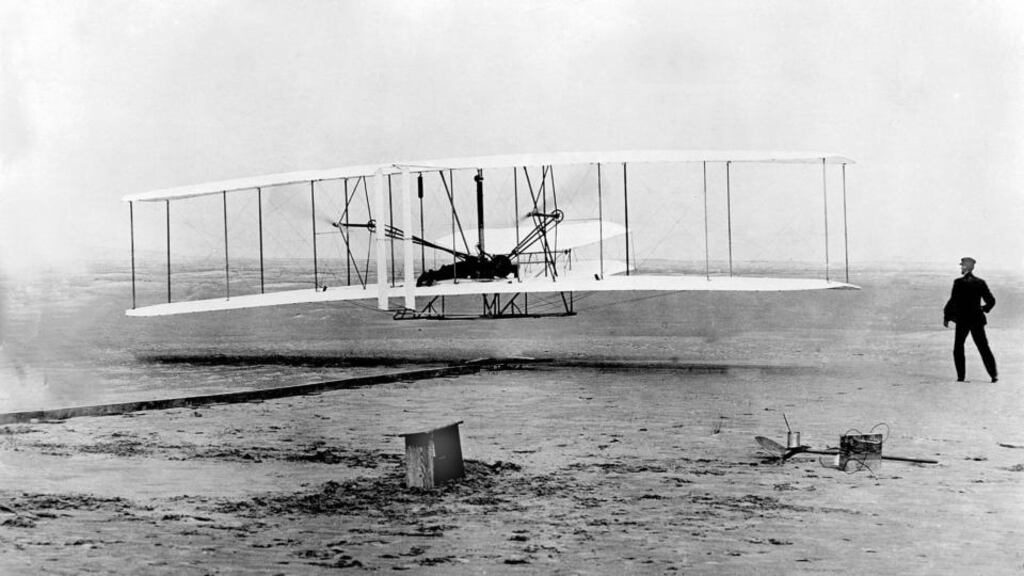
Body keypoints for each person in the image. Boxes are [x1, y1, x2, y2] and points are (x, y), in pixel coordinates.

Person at [943, 257, 997, 382]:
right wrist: (984, 309)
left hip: (963, 320)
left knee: (958, 347)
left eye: (962, 266)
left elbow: (953, 301)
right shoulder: (980, 282)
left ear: (966, 267)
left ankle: (961, 377)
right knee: (983, 347)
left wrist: (947, 315)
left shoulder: (958, 282)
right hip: (977, 319)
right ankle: (994, 376)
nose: (961, 268)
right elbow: (991, 300)